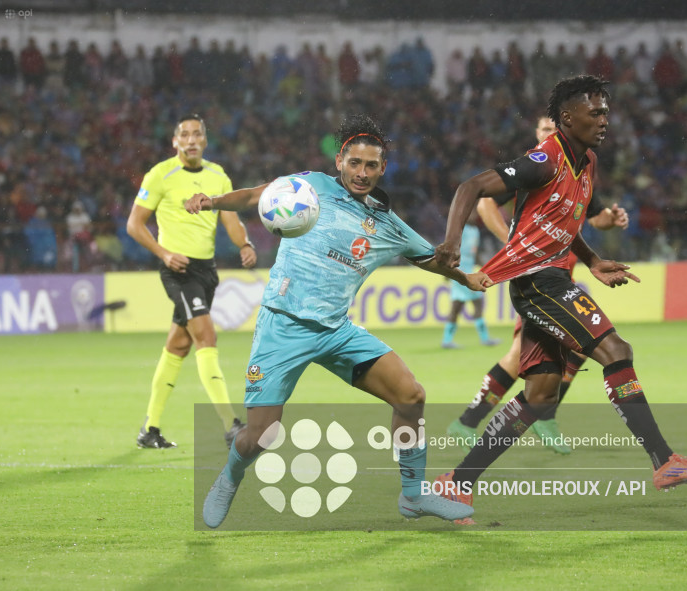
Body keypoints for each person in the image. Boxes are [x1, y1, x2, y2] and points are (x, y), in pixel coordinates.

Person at [433, 76, 687, 517]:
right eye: (596, 112)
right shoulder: (544, 159)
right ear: (568, 118)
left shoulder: (586, 161)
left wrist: (592, 259)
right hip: (537, 282)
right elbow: (470, 188)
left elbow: (566, 221)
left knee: (541, 394)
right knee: (616, 350)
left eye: (606, 111)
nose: (605, 119)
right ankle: (665, 462)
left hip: (551, 278)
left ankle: (457, 482)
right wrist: (451, 243)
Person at [184, 114, 484, 528]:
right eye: (355, 163)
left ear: (383, 168)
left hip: (336, 331)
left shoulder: (386, 222)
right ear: (340, 160)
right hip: (282, 326)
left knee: (411, 396)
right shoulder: (311, 187)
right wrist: (213, 202)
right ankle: (229, 478)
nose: (362, 173)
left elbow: (430, 258)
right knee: (261, 435)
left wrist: (465, 276)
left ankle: (413, 496)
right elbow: (257, 196)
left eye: (371, 166)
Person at [447, 115, 629, 455]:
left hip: (561, 275)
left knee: (540, 356)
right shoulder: (538, 165)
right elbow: (485, 201)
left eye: (553, 130)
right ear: (538, 134)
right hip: (537, 278)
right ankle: (493, 421)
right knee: (544, 354)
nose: (551, 135)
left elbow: (593, 216)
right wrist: (517, 246)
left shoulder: (579, 167)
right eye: (546, 130)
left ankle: (477, 425)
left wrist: (611, 220)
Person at [126, 114, 255, 450]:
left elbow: (230, 216)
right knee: (206, 335)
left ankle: (149, 429)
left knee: (178, 346)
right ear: (175, 141)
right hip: (178, 270)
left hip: (206, 272)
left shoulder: (218, 176)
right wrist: (164, 253)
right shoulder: (160, 175)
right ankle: (231, 425)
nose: (192, 139)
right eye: (185, 134)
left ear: (205, 141)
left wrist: (244, 243)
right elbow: (135, 224)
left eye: (198, 134)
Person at [441, 209, 502, 349]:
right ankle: (485, 339)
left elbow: (474, 253)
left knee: (457, 306)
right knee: (477, 303)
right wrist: (446, 271)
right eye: (473, 213)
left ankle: (447, 340)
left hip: (468, 271)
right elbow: (449, 250)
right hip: (460, 272)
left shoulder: (475, 230)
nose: (476, 216)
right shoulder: (460, 231)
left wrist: (484, 267)